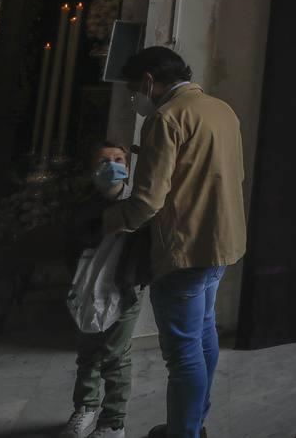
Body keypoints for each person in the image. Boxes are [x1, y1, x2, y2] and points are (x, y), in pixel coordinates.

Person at [104, 47, 245, 438]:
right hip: (222, 242)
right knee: (204, 335)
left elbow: (148, 201)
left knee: (183, 354)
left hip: (184, 249)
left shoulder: (166, 117)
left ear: (149, 81)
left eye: (135, 89)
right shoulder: (222, 109)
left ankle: (182, 432)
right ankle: (194, 423)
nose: (136, 99)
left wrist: (109, 219)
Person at [59, 142, 149, 438]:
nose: (112, 164)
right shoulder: (82, 205)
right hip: (86, 287)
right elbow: (73, 242)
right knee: (87, 354)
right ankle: (84, 408)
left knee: (115, 356)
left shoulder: (139, 203)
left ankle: (113, 422)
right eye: (105, 160)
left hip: (123, 289)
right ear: (93, 168)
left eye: (119, 159)